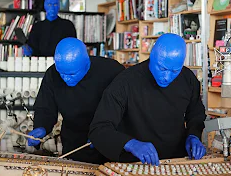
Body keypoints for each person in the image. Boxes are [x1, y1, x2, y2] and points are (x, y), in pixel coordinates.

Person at [89, 33, 207, 166]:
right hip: (134, 163)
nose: (167, 77)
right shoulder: (124, 82)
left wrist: (194, 135)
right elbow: (99, 129)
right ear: (151, 56)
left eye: (175, 71)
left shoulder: (188, 79)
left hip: (176, 161)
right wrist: (130, 144)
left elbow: (196, 115)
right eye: (162, 68)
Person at [27, 37, 125, 164]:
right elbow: (45, 107)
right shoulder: (52, 74)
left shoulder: (112, 71)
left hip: (109, 140)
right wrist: (42, 127)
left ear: (86, 63)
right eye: (61, 73)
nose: (66, 79)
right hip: (74, 142)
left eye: (72, 74)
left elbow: (126, 108)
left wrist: (104, 133)